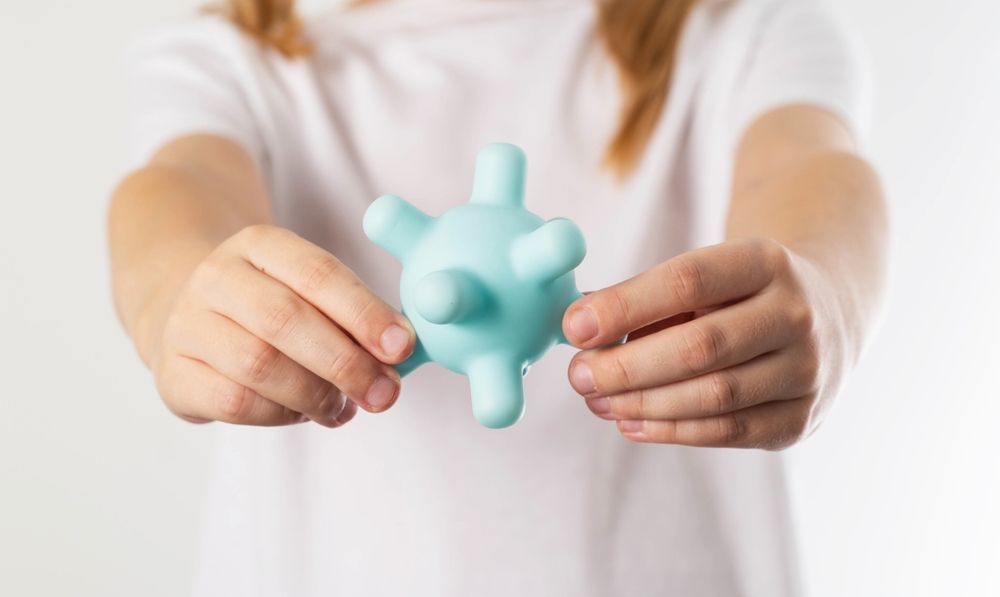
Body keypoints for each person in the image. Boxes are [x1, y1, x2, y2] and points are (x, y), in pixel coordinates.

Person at [107, 0, 887, 594]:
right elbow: (181, 186)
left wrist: (828, 290)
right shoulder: (234, 55)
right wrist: (175, 290)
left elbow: (806, 167)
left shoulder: (743, 28)